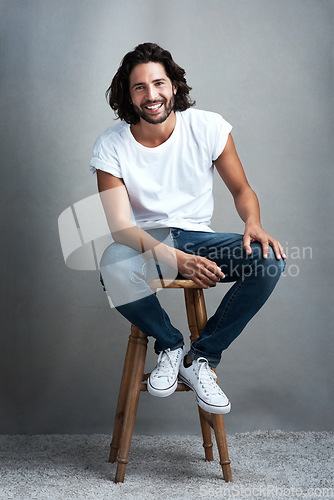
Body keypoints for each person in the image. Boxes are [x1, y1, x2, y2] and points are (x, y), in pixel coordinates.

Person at [90, 42, 286, 415]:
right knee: (113, 264)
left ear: (174, 86)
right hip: (144, 243)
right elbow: (119, 227)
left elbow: (242, 190)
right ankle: (169, 344)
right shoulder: (110, 146)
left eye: (159, 83)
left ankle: (200, 359)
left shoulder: (208, 126)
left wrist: (253, 222)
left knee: (268, 260)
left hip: (200, 238)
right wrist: (175, 257)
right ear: (128, 96)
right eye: (140, 87)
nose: (152, 95)